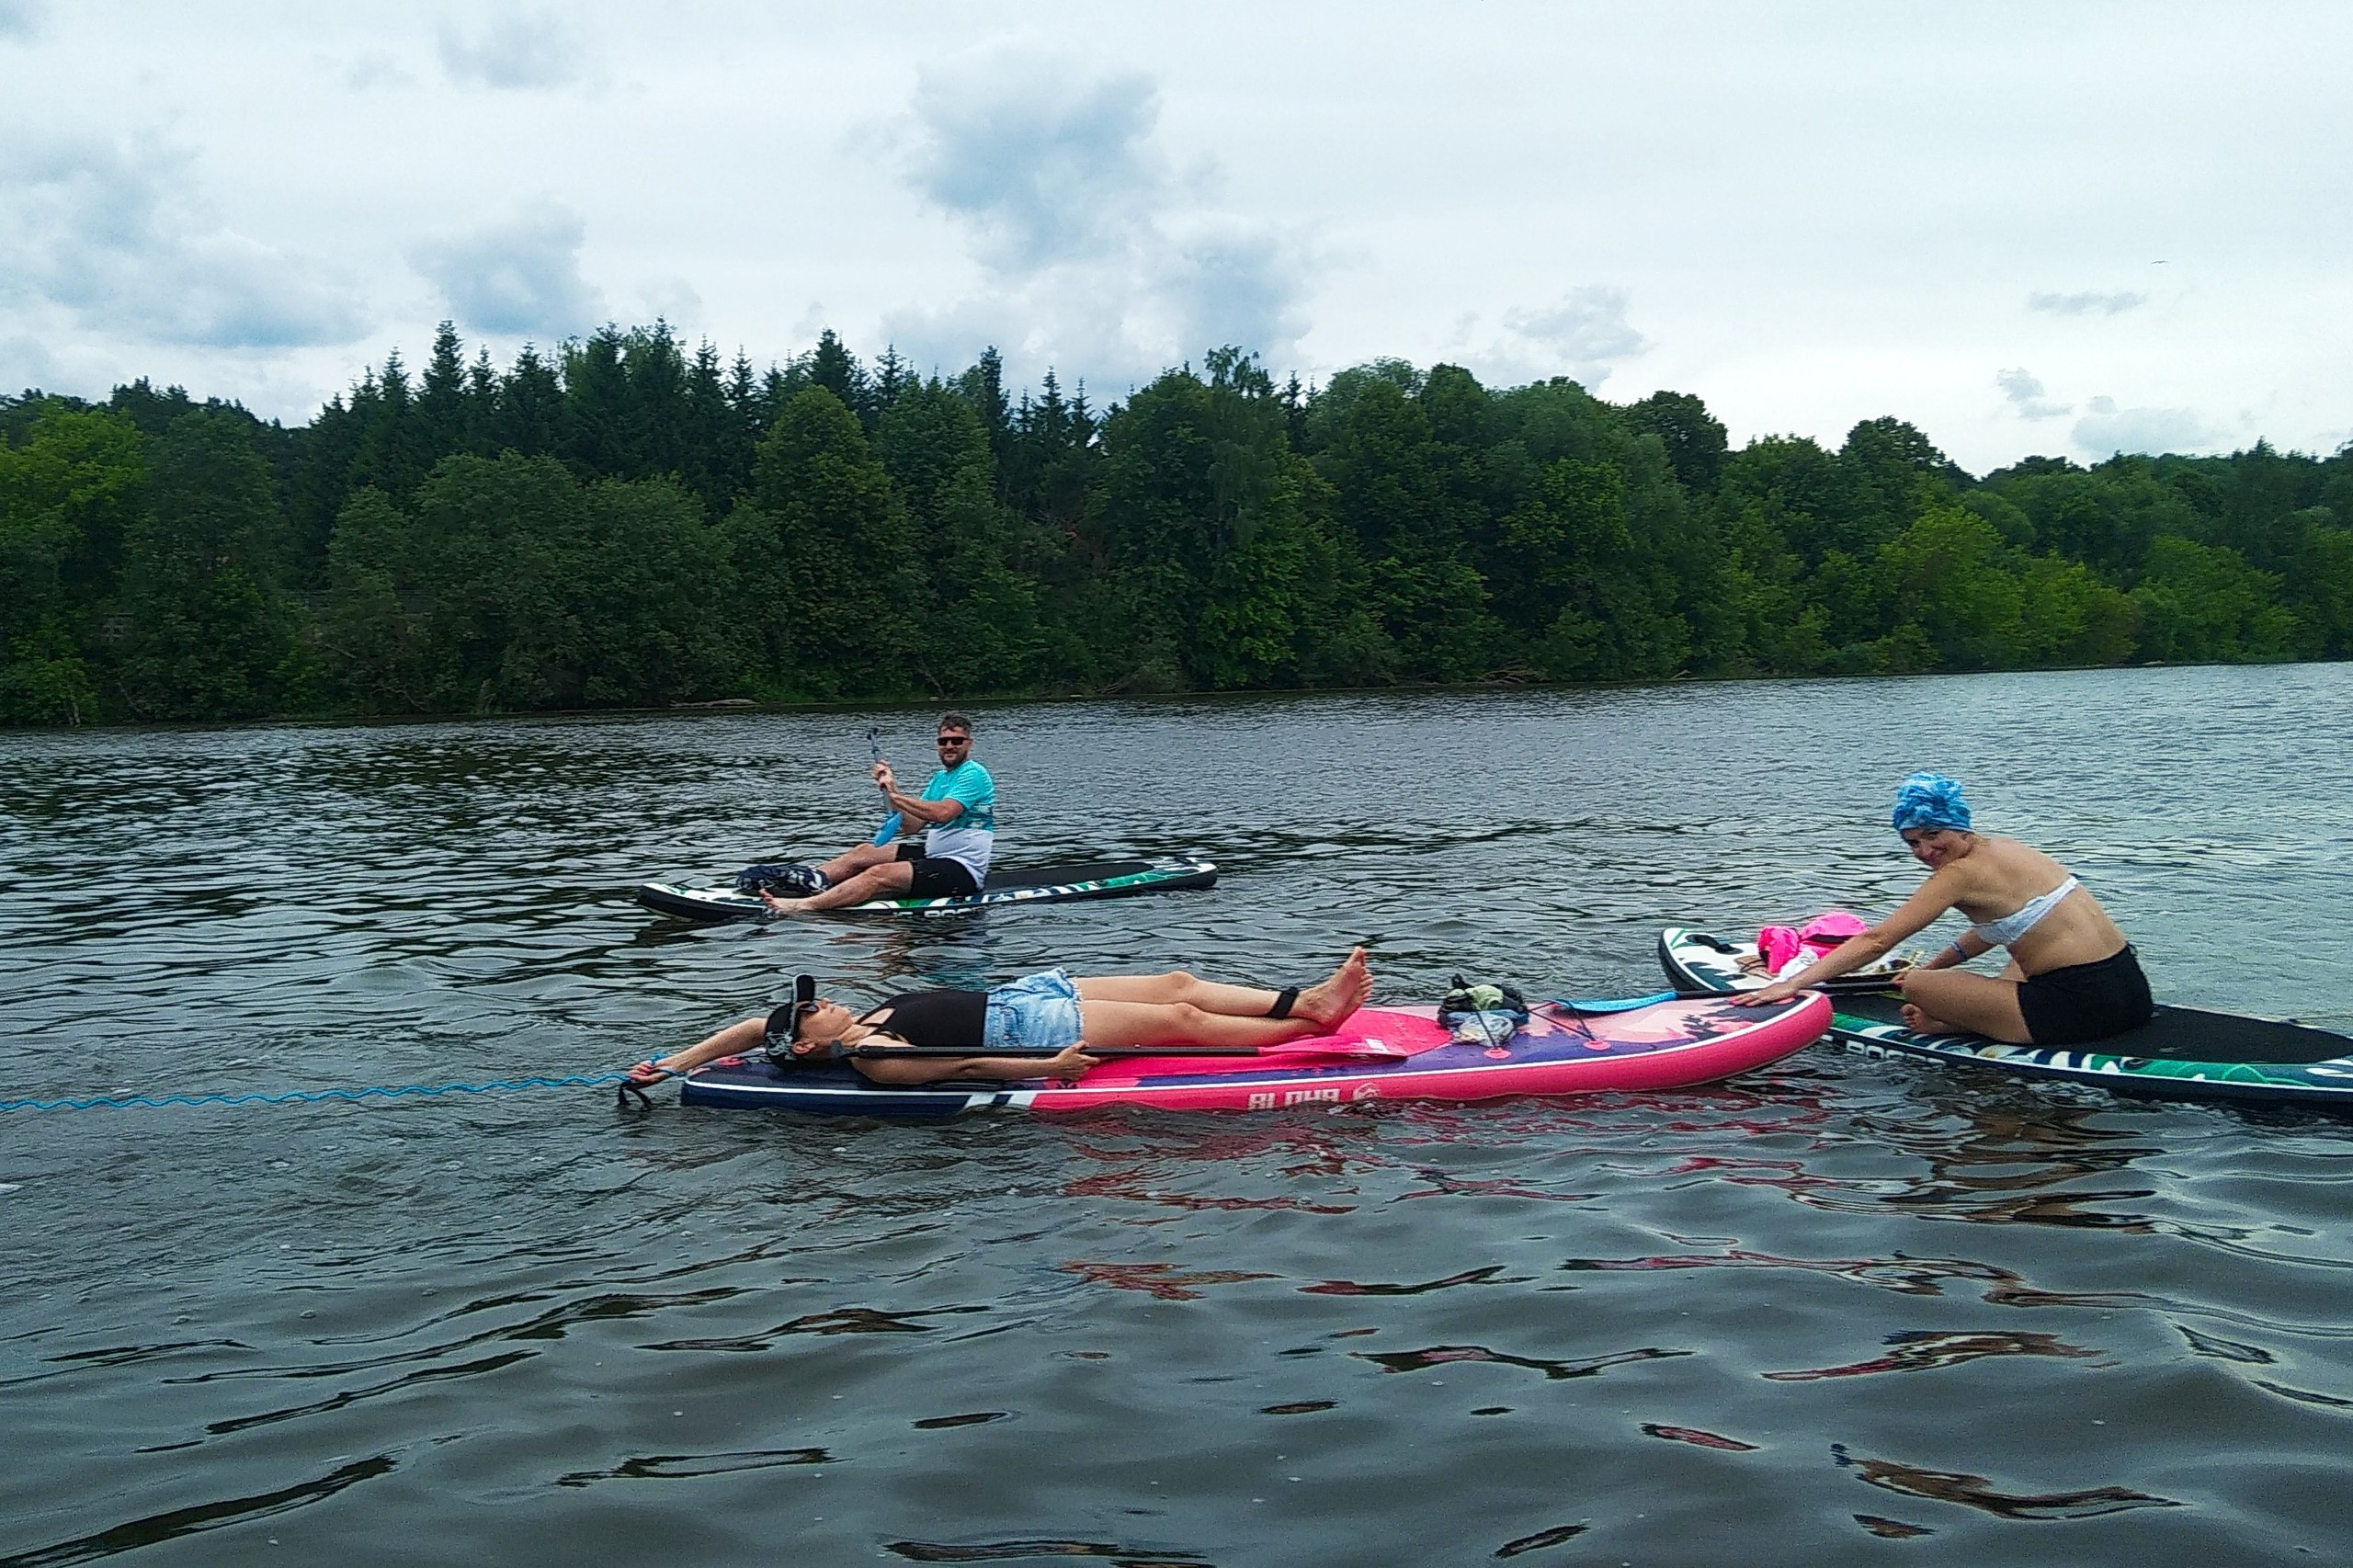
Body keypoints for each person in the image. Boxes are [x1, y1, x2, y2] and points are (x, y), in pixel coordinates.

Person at [1736, 772, 2153, 1046]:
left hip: (2081, 1013)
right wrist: (1939, 965)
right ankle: (1967, 1016)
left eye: (1934, 834)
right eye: (1913, 842)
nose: (1926, 851)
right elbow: (1999, 927)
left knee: (1917, 987)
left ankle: (1952, 1023)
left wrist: (1791, 985)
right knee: (2010, 960)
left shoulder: (1959, 875)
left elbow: (1878, 939)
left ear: (1960, 825)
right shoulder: (2009, 848)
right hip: (2131, 993)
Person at [629, 949, 1373, 1087]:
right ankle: (1312, 1023)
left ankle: (1300, 1000)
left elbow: (748, 1031)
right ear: (810, 1041)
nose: (824, 1001)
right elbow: (967, 1067)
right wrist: (1049, 1070)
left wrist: (671, 1064)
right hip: (1026, 1034)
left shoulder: (838, 1030)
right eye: (812, 1010)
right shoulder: (872, 1054)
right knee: (1179, 1015)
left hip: (1021, 994)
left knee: (1177, 978)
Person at [759, 713, 997, 914]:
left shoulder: (973, 773)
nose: (949, 746)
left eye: (956, 741)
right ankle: (808, 881)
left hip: (963, 869)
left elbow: (944, 813)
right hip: (936, 855)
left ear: (969, 743)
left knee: (878, 874)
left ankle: (803, 905)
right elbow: (911, 826)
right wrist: (889, 792)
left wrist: (896, 795)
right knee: (864, 852)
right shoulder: (940, 779)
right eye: (943, 741)